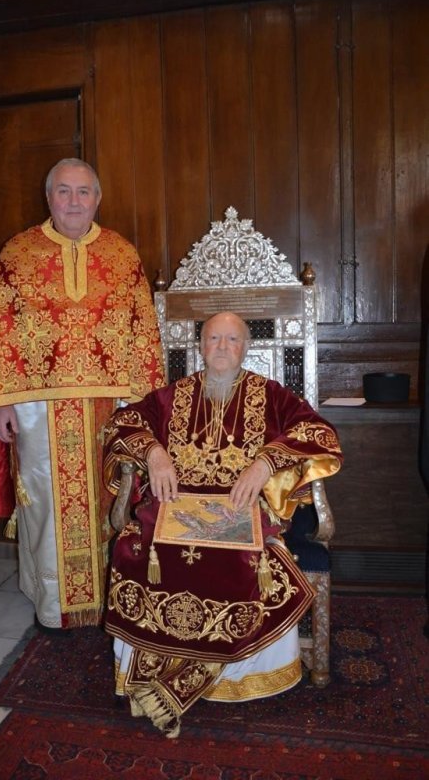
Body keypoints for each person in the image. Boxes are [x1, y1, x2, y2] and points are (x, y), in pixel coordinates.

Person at [102, 311, 343, 737]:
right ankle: (158, 670)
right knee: (139, 547)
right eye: (214, 339)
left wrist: (266, 464)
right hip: (173, 507)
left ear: (246, 347)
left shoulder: (271, 395)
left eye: (232, 340)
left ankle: (171, 688)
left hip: (244, 509)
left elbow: (318, 432)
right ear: (201, 346)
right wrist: (156, 453)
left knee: (242, 560)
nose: (222, 347)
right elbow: (124, 422)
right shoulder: (171, 396)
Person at [0, 158, 165, 634]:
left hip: (109, 406)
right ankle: (54, 606)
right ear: (48, 198)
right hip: (35, 408)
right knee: (46, 502)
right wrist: (0, 401)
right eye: (64, 191)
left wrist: (144, 404)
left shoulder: (122, 254)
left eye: (83, 192)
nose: (74, 201)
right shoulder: (18, 253)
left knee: (114, 497)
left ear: (98, 198)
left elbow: (144, 333)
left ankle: (113, 598)